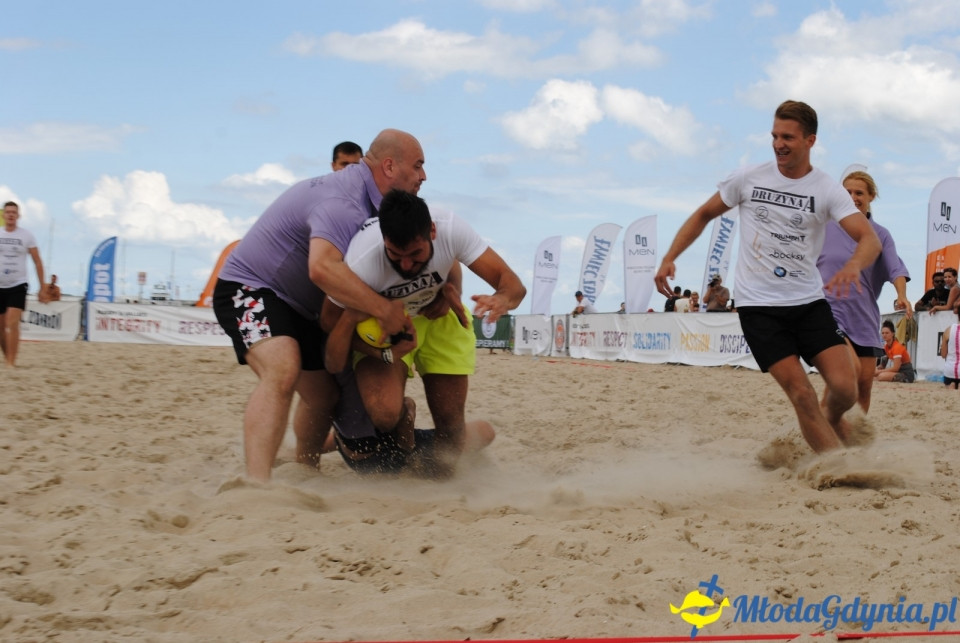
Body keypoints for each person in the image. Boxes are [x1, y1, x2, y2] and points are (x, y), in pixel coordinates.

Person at [654, 100, 881, 454]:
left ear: (810, 140)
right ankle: (834, 467)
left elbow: (869, 239)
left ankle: (832, 419)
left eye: (787, 137)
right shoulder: (749, 177)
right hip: (759, 308)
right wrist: (670, 257)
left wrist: (853, 265)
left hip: (808, 301)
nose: (778, 144)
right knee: (802, 393)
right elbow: (703, 214)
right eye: (775, 136)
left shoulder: (825, 188)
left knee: (845, 388)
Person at [212, 129, 423, 481]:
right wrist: (383, 310)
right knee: (282, 368)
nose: (423, 176)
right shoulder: (345, 201)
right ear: (389, 166)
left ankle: (304, 469)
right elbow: (322, 267)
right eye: (418, 166)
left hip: (299, 307)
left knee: (323, 395)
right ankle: (255, 484)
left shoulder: (375, 204)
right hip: (251, 286)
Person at [321, 189, 526, 477]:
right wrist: (385, 352)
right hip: (387, 325)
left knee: (451, 425)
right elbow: (329, 322)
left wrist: (501, 299)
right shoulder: (362, 260)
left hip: (441, 318)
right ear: (383, 239)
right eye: (395, 255)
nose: (406, 265)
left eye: (415, 254)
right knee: (383, 413)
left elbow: (513, 284)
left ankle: (434, 484)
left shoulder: (451, 228)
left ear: (432, 232)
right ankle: (393, 424)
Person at [323, 304, 495, 475]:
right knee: (482, 431)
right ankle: (410, 437)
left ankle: (408, 433)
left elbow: (338, 436)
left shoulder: (354, 431)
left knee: (483, 431)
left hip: (373, 451)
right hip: (382, 452)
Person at [816, 170, 912, 412]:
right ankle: (824, 429)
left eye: (859, 193)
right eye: (847, 192)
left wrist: (902, 295)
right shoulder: (824, 228)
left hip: (863, 318)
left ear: (871, 196)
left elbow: (896, 269)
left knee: (864, 385)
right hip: (828, 312)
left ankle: (854, 436)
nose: (853, 197)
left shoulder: (880, 234)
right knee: (844, 375)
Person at [1, 201, 51, 367]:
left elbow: (37, 261)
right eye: (8, 212)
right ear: (3, 215)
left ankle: (10, 363)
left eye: (14, 212)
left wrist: (42, 287)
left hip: (18, 284)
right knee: (1, 328)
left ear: (18, 216)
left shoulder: (26, 235)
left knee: (11, 323)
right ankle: (9, 356)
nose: (10, 215)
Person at [940, 307, 960, 389]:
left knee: (950, 385)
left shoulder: (949, 330)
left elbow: (943, 354)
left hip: (950, 370)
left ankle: (953, 384)